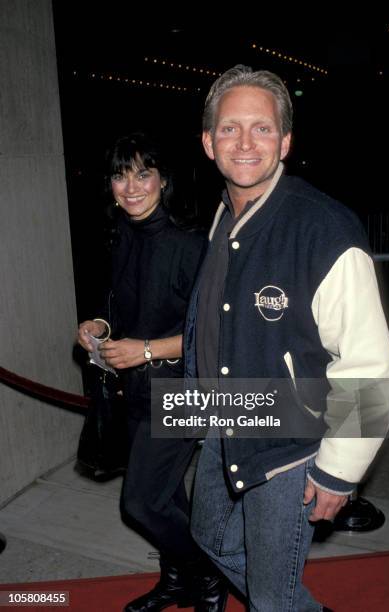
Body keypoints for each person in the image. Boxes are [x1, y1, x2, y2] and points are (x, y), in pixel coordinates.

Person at [183, 65, 389, 611]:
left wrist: (338, 472)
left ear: (285, 141)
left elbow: (372, 367)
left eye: (262, 128)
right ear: (209, 142)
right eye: (230, 128)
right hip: (225, 418)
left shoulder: (324, 228)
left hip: (293, 446)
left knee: (270, 599)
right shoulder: (223, 215)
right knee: (209, 538)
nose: (246, 142)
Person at [77, 132, 228, 611]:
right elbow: (120, 304)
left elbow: (216, 331)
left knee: (139, 502)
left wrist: (145, 350)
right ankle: (178, 579)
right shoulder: (122, 235)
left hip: (184, 389)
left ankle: (208, 573)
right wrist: (99, 325)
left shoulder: (189, 245)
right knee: (165, 499)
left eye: (143, 173)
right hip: (137, 390)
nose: (131, 186)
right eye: (120, 175)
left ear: (164, 181)